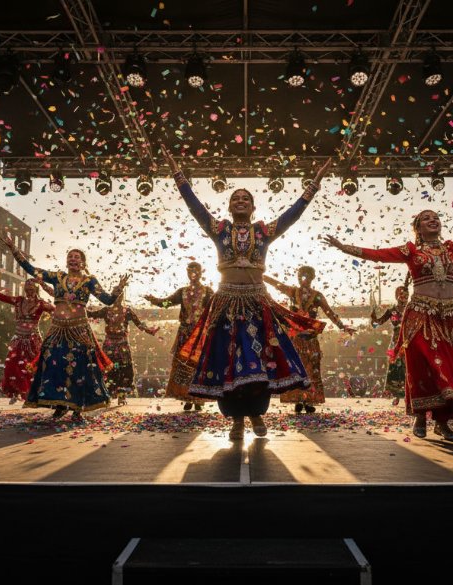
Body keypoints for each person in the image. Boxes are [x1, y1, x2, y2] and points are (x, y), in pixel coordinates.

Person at [160, 144, 333, 440]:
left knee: (258, 359)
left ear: (253, 207)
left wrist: (314, 184)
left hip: (256, 303)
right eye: (235, 198)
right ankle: (236, 421)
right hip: (226, 303)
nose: (241, 201)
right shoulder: (219, 229)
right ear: (229, 207)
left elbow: (293, 214)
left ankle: (255, 414)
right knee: (227, 361)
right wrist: (177, 174)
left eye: (246, 199)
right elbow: (195, 207)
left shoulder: (264, 232)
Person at [322, 186, 453, 441]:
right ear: (418, 228)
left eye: (435, 217)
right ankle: (419, 416)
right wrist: (345, 247)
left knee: (451, 368)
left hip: (449, 319)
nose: (432, 220)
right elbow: (378, 254)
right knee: (427, 368)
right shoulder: (410, 251)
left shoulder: (452, 249)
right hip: (420, 317)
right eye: (426, 218)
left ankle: (442, 423)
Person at [0, 235, 128, 420]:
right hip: (58, 329)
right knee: (53, 366)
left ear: (83, 263)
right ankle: (59, 404)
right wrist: (14, 250)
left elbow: (106, 300)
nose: (73, 259)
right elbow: (32, 270)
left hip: (79, 330)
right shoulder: (57, 277)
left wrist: (118, 290)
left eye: (77, 257)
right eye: (70, 256)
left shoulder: (90, 281)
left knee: (81, 369)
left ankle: (77, 408)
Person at [264, 266, 356, 413]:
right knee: (296, 366)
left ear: (312, 278)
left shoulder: (317, 296)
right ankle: (298, 399)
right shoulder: (292, 291)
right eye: (300, 276)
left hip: (310, 338)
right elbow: (275, 284)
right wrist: (257, 274)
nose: (303, 279)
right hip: (295, 338)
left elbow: (330, 313)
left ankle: (307, 400)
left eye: (306, 276)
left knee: (311, 369)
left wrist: (343, 327)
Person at [0, 274, 56, 404]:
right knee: (12, 366)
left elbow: (56, 312)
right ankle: (16, 392)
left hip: (33, 340)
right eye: (27, 289)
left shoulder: (41, 304)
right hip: (17, 339)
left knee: (32, 368)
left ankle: (33, 395)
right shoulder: (18, 300)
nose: (29, 292)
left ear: (36, 290)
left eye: (32, 289)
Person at [144, 262, 214, 411]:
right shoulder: (182, 292)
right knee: (184, 365)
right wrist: (154, 300)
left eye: (196, 271)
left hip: (200, 335)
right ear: (187, 273)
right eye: (190, 271)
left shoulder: (207, 292)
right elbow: (166, 303)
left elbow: (215, 309)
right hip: (184, 334)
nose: (193, 274)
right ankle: (187, 397)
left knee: (198, 365)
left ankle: (198, 399)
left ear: (201, 273)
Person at [87, 292, 158, 406]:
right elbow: (91, 315)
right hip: (109, 344)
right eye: (116, 295)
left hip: (122, 344)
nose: (118, 298)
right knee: (109, 368)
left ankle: (121, 395)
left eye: (120, 295)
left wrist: (150, 330)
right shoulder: (106, 310)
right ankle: (107, 395)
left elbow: (139, 324)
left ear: (122, 297)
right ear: (112, 296)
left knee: (124, 369)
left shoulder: (127, 311)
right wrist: (78, 305)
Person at [371, 284, 409, 404]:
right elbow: (378, 323)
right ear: (397, 296)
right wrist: (373, 317)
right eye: (402, 296)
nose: (404, 298)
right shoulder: (391, 311)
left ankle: (410, 394)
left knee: (409, 366)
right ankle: (397, 395)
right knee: (395, 367)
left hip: (409, 340)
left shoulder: (411, 309)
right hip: (396, 341)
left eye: (406, 296)